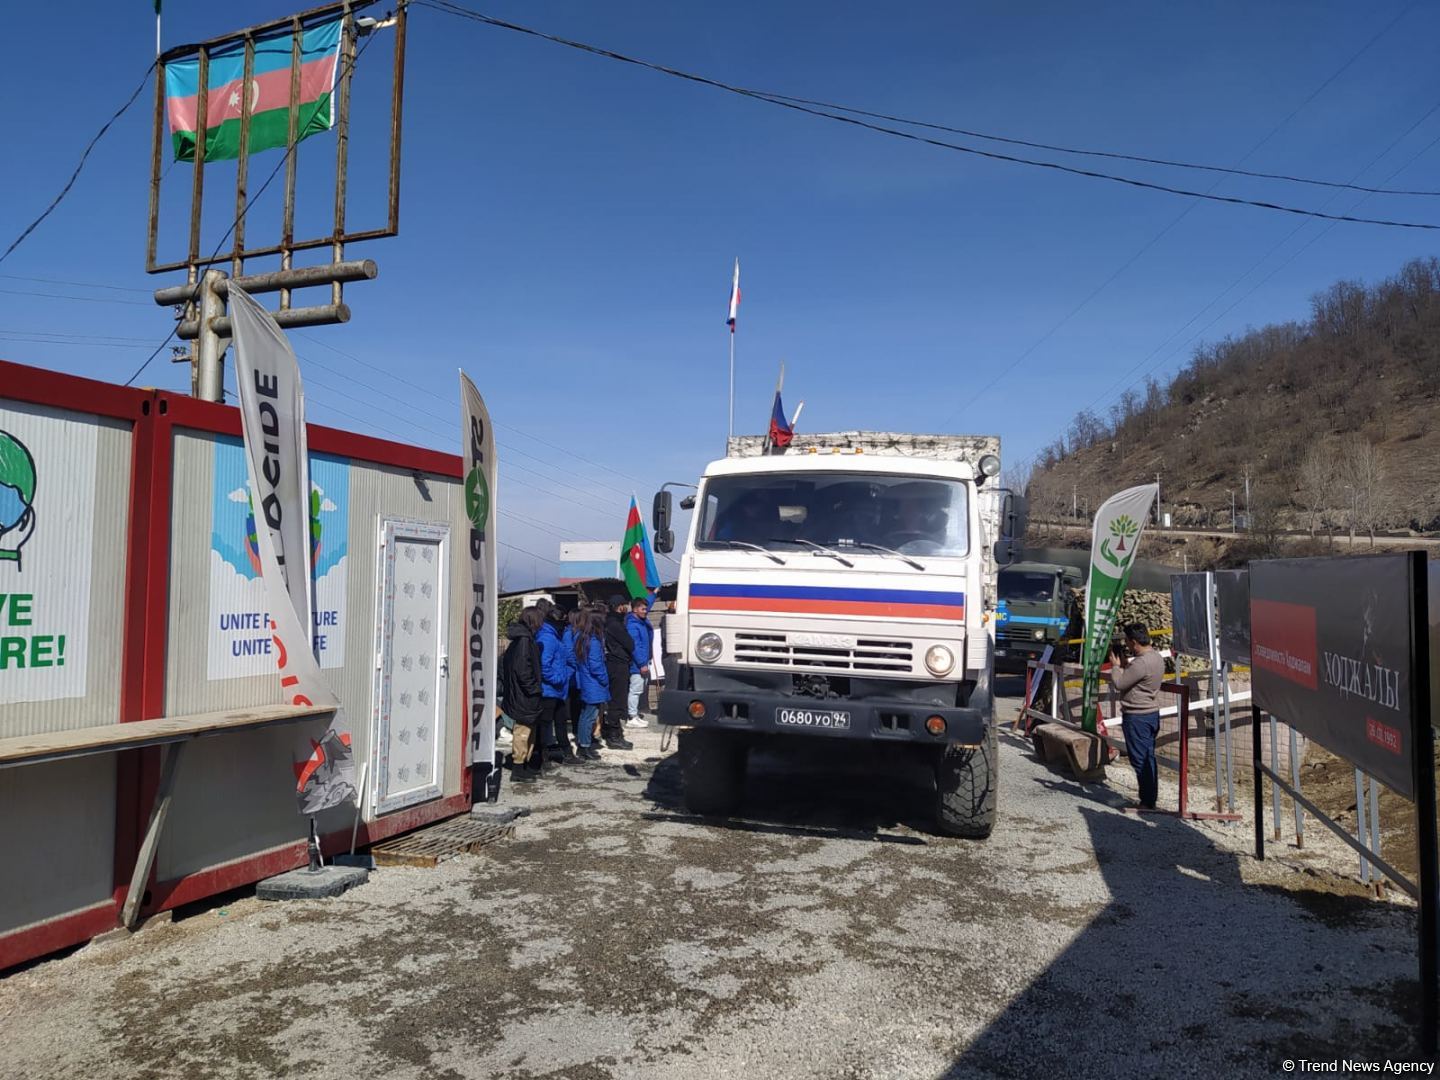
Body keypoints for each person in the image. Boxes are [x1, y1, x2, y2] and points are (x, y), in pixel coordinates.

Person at [1106, 623, 1165, 809]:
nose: (1127, 647)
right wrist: (1127, 666)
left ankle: (1147, 801)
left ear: (1133, 642)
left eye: (1128, 643)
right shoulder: (1156, 657)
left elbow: (1120, 683)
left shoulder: (1142, 662)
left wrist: (1116, 667)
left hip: (1137, 715)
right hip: (1151, 713)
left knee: (1139, 758)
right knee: (1148, 756)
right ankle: (1150, 797)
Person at [499, 606, 545, 783]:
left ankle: (523, 764)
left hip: (520, 692)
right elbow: (522, 669)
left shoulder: (520, 640)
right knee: (523, 730)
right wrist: (534, 688)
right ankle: (518, 767)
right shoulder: (524, 641)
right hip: (524, 694)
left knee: (528, 728)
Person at [535, 599, 579, 765]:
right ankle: (542, 755)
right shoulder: (547, 637)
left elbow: (565, 659)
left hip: (559, 688)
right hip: (549, 689)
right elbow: (545, 665)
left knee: (560, 721)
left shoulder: (555, 636)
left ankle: (566, 752)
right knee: (546, 724)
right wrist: (559, 678)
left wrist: (566, 675)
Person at [573, 611, 609, 761]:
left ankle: (584, 744)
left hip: (587, 681)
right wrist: (605, 679)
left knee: (586, 715)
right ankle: (584, 746)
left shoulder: (583, 638)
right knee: (589, 715)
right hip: (593, 683)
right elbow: (596, 665)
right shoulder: (593, 641)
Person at [602, 595, 636, 749]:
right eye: (625, 605)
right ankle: (614, 736)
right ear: (619, 606)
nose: (627, 608)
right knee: (617, 701)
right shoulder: (614, 624)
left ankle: (615, 732)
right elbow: (629, 643)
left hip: (618, 663)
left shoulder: (614, 622)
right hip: (617, 665)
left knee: (618, 700)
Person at [626, 596, 654, 728]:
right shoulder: (632, 625)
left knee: (639, 689)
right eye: (643, 609)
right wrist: (642, 663)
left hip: (644, 661)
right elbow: (635, 646)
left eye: (646, 608)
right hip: (637, 664)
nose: (645, 611)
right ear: (635, 609)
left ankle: (635, 713)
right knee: (635, 690)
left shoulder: (641, 622)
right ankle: (632, 716)